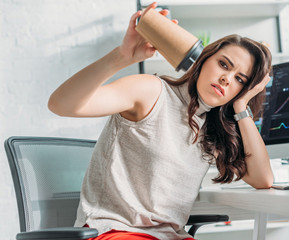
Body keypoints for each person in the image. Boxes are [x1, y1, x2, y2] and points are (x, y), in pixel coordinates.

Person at [48, 2, 273, 240]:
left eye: (240, 79)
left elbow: (262, 179)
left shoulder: (211, 128)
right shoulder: (151, 91)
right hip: (115, 231)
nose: (226, 78)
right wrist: (121, 56)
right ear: (205, 59)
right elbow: (61, 105)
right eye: (224, 64)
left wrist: (241, 107)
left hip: (169, 236)